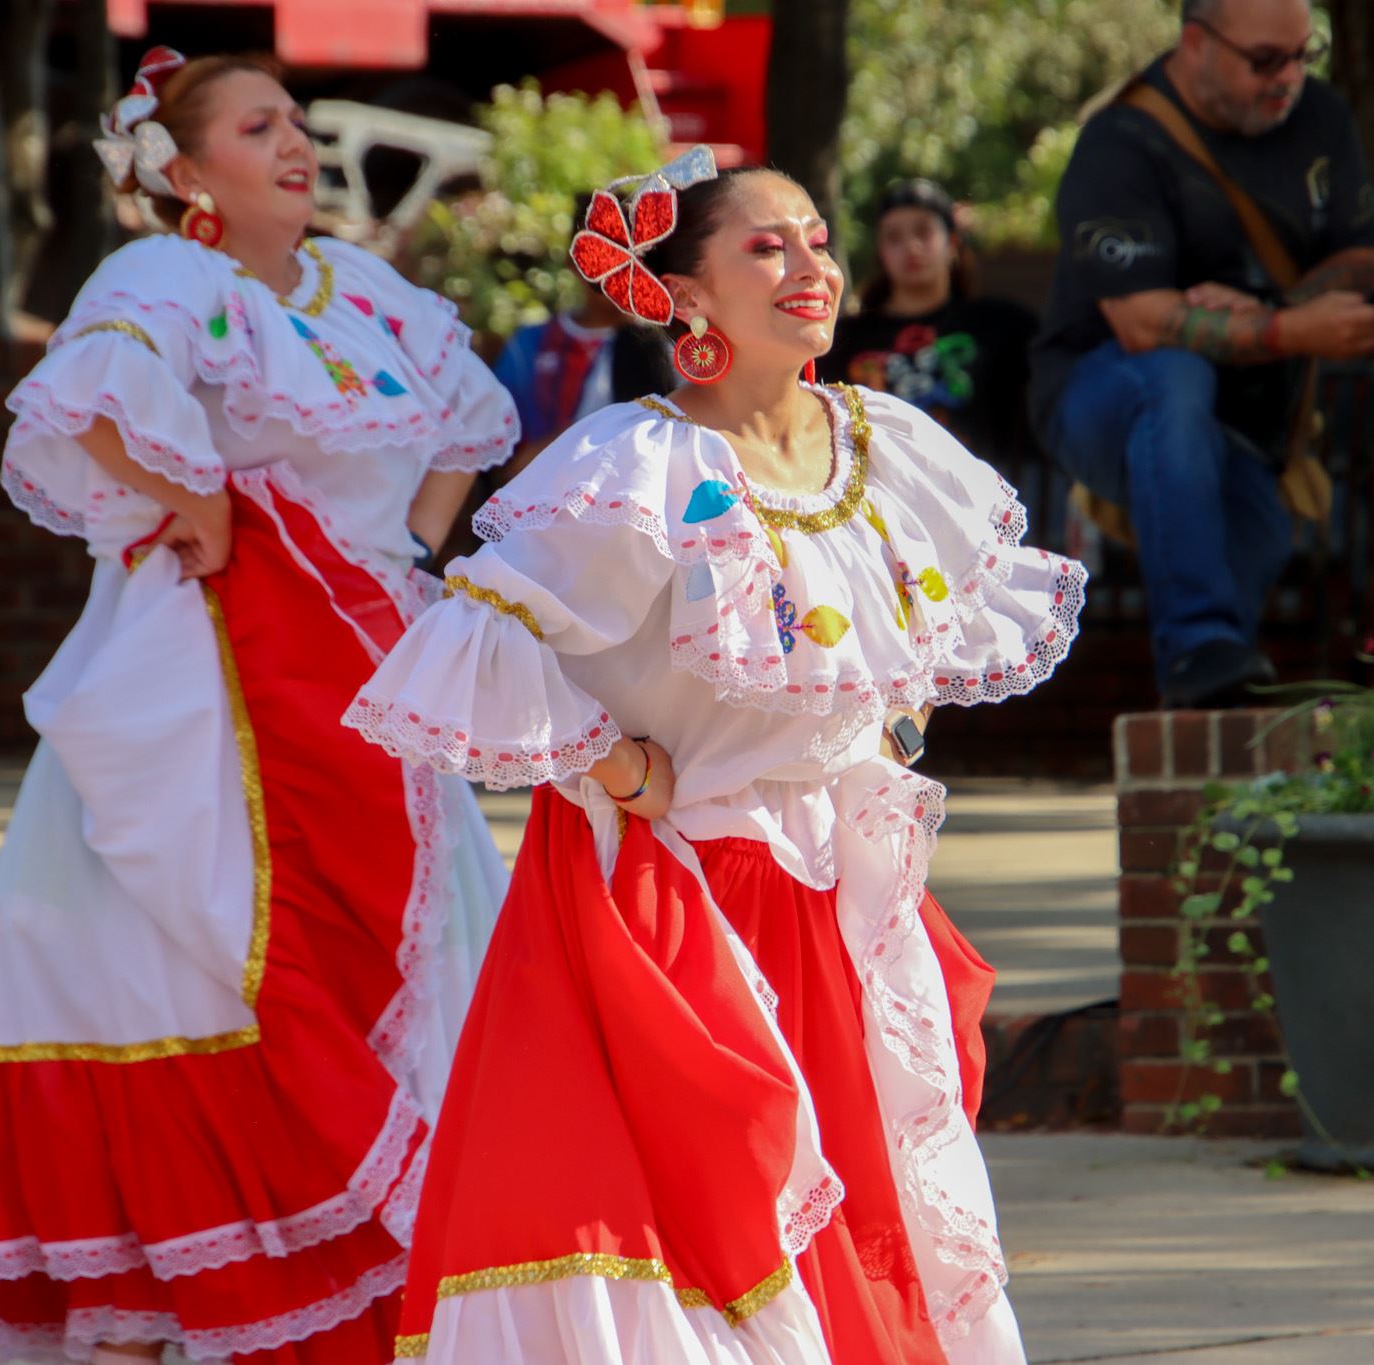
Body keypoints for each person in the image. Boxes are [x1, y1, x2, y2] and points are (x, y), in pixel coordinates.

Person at [343, 149, 1083, 1363]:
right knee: (707, 1229)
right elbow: (474, 645)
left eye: (814, 238)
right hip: (676, 902)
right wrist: (616, 769)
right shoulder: (633, 466)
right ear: (682, 294)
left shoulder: (883, 445)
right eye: (765, 245)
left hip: (842, 894)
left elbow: (928, 635)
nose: (811, 265)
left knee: (869, 1216)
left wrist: (879, 736)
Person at [0, 49, 518, 1363]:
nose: (295, 142)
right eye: (256, 125)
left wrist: (400, 558)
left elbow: (462, 428)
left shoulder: (368, 293)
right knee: (172, 973)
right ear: (183, 173)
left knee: (397, 978)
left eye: (295, 119)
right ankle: (153, 1311)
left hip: (366, 686)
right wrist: (204, 501)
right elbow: (81, 401)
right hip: (209, 688)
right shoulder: (166, 275)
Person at [1030, 0, 1374, 709]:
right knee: (1174, 374)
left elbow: (1361, 252)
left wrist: (1268, 314)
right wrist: (1288, 331)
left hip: (1245, 421)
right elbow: (1141, 322)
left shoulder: (1320, 116)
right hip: (1100, 394)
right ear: (1196, 43)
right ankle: (1197, 642)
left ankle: (1204, 701)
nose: (1289, 76)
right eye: (1265, 59)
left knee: (1248, 547)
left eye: (1303, 53)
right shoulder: (1122, 140)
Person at [824, 178, 1054, 543]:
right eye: (894, 237)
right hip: (876, 517)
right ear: (881, 253)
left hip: (985, 515)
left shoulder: (1002, 323)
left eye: (923, 231)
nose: (910, 246)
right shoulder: (842, 337)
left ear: (953, 243)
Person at [488, 190, 678, 477]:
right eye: (602, 256)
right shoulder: (527, 347)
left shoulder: (670, 347)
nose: (620, 270)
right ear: (573, 260)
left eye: (638, 256)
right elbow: (497, 457)